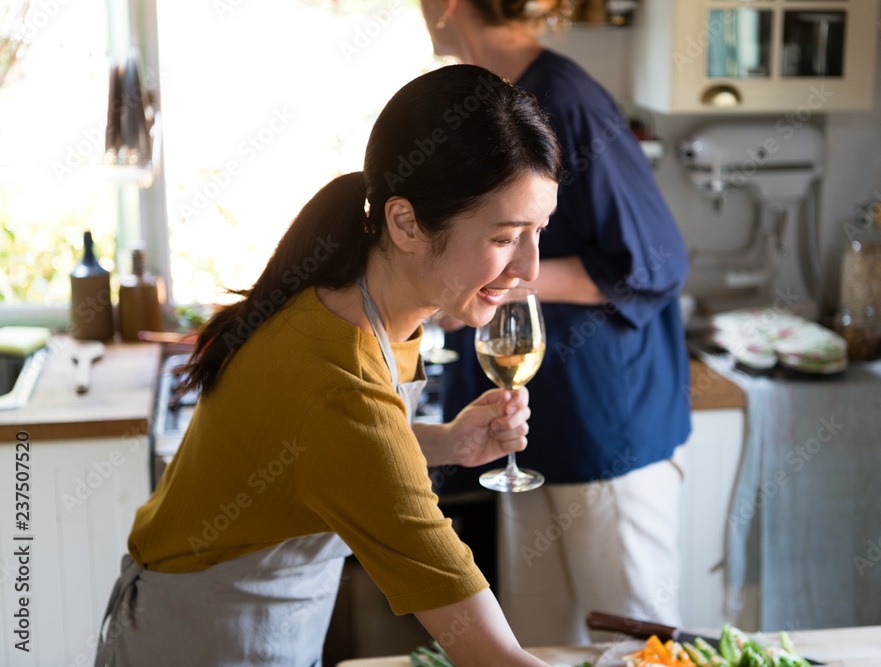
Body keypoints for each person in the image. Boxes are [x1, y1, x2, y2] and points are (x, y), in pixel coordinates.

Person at [93, 64, 562, 667]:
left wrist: (441, 443)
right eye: (505, 237)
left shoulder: (358, 298)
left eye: (539, 231)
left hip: (263, 624)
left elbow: (325, 453)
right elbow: (487, 652)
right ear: (406, 222)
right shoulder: (337, 376)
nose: (530, 268)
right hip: (201, 637)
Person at [419, 0, 692, 647]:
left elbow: (655, 261)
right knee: (539, 649)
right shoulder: (494, 102)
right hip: (532, 435)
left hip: (604, 436)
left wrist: (496, 278)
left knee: (635, 650)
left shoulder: (565, 99)